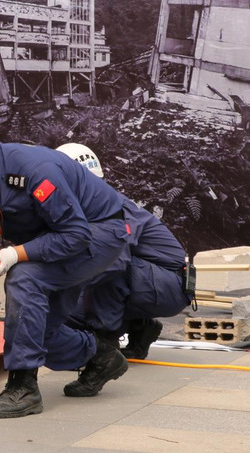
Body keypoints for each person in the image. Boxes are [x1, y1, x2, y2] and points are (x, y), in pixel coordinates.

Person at [0, 116, 133, 419]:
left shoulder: (35, 172)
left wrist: (16, 254)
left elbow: (76, 234)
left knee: (24, 278)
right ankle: (101, 356)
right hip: (54, 238)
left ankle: (23, 387)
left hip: (98, 233)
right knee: (38, 334)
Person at [57, 143, 190, 360]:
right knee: (69, 312)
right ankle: (140, 327)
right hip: (152, 280)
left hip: (170, 285)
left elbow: (115, 261)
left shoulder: (111, 208)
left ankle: (105, 352)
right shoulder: (91, 208)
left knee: (102, 269)